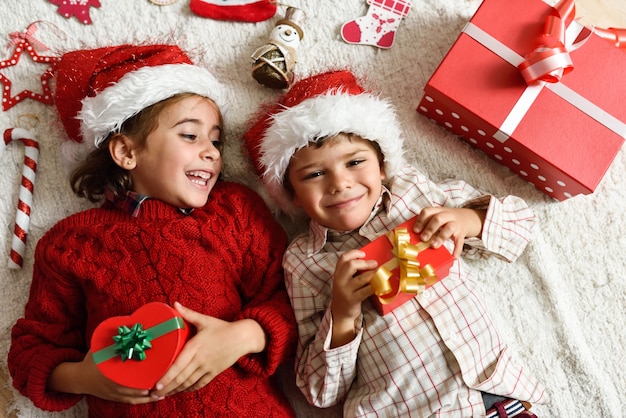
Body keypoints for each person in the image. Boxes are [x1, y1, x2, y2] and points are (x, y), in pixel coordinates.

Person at [8, 44, 297, 418]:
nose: (211, 152)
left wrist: (243, 335)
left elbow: (295, 300)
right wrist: (84, 377)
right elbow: (31, 351)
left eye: (216, 139)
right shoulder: (70, 245)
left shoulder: (234, 211)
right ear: (127, 152)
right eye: (190, 136)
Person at [243, 70, 548, 417]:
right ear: (293, 197)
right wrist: (342, 313)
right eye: (314, 174)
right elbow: (319, 391)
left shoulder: (414, 191)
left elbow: (522, 223)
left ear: (384, 166)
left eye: (355, 162)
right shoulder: (304, 260)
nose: (340, 184)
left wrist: (469, 220)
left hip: (495, 396)